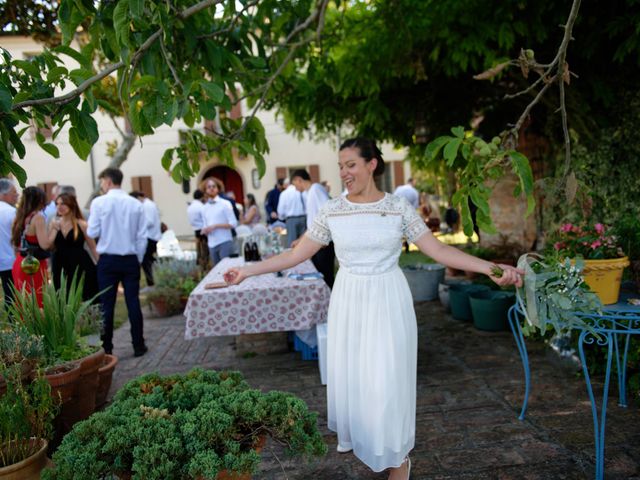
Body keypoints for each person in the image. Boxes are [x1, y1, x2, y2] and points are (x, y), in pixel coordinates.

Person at [223, 137, 523, 480]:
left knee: (387, 380)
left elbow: (439, 252)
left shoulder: (398, 208)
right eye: (340, 166)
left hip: (387, 298)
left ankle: (399, 459)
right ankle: (373, 444)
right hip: (349, 300)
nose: (344, 173)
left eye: (351, 165)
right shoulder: (333, 209)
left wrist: (491, 269)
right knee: (360, 382)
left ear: (371, 165)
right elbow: (295, 254)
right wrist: (246, 272)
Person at [87, 168, 148, 357]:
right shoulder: (136, 204)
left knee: (107, 304)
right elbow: (142, 236)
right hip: (130, 258)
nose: (102, 185)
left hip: (108, 259)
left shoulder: (99, 203)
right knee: (133, 302)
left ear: (108, 181)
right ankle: (138, 345)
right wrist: (137, 259)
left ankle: (107, 348)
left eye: (103, 181)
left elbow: (91, 232)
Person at [11, 186, 57, 307]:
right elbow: (45, 244)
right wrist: (54, 229)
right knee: (37, 302)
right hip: (33, 265)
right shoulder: (38, 218)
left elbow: (16, 245)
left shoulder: (19, 217)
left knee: (24, 303)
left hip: (20, 263)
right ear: (40, 200)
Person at [290, 169, 335, 288]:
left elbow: (328, 213)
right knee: (319, 276)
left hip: (323, 243)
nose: (295, 188)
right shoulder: (310, 192)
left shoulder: (316, 189)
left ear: (299, 180)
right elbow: (313, 223)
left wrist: (325, 238)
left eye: (295, 184)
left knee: (326, 277)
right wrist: (300, 240)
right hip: (317, 242)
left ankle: (332, 303)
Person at [50, 193, 99, 302]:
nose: (59, 206)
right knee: (62, 297)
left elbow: (93, 248)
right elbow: (50, 246)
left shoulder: (82, 224)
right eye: (57, 204)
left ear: (71, 204)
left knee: (84, 295)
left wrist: (100, 266)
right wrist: (53, 230)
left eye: (63, 203)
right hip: (59, 265)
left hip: (80, 264)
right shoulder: (54, 224)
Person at [199, 177, 237, 265]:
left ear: (218, 189)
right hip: (211, 244)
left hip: (225, 241)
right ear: (205, 190)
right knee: (216, 272)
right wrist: (204, 230)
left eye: (214, 186)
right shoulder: (204, 208)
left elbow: (233, 223)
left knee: (227, 269)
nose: (211, 188)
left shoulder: (226, 204)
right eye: (209, 187)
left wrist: (215, 226)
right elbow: (205, 225)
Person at [130, 191, 162, 287]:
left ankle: (151, 283)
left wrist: (136, 224)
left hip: (150, 236)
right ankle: (151, 282)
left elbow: (149, 221)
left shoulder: (147, 206)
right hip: (152, 236)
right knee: (149, 261)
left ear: (139, 197)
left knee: (146, 261)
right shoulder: (149, 204)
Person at [0, 178, 18, 309]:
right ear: (3, 194)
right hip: (11, 259)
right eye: (14, 192)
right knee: (12, 295)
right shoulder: (11, 212)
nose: (16, 195)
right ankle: (14, 324)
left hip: (4, 259)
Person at [277, 181, 306, 247]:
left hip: (291, 219)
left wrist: (282, 218)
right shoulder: (301, 191)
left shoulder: (284, 193)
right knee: (303, 241)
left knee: (292, 243)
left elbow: (280, 210)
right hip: (303, 218)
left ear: (285, 185)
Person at [187, 189, 209, 270]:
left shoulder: (190, 206)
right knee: (205, 250)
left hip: (195, 229)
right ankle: (205, 265)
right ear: (201, 197)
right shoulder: (201, 206)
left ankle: (200, 263)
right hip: (202, 229)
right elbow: (205, 219)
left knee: (198, 250)